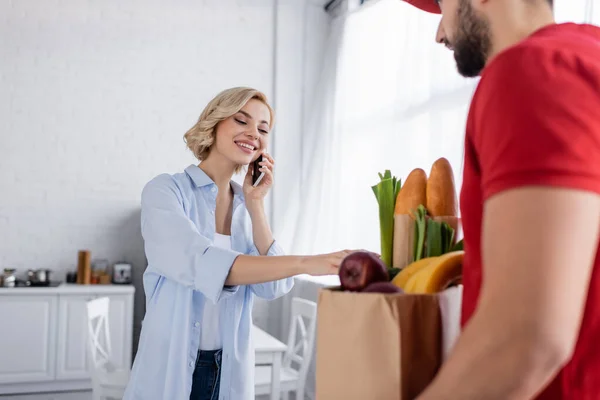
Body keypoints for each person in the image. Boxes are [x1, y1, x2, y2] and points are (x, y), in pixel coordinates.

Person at [402, 0, 600, 398]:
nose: (440, 32)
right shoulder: (585, 56)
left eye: (444, 5)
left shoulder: (530, 70)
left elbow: (524, 336)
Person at [123, 87, 355, 400]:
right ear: (214, 123)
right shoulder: (165, 192)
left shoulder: (246, 208)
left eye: (263, 129)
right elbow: (203, 262)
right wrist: (307, 262)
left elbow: (274, 288)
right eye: (241, 121)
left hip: (229, 367)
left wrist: (256, 203)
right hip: (171, 366)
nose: (253, 134)